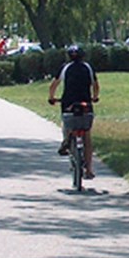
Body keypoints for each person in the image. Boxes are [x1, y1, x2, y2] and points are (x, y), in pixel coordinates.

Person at [47, 44, 100, 178]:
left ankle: (67, 140)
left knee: (68, 124)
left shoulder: (65, 68)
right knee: (86, 135)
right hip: (86, 104)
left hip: (68, 104)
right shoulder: (88, 67)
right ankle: (88, 169)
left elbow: (54, 84)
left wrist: (51, 98)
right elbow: (95, 85)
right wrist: (94, 97)